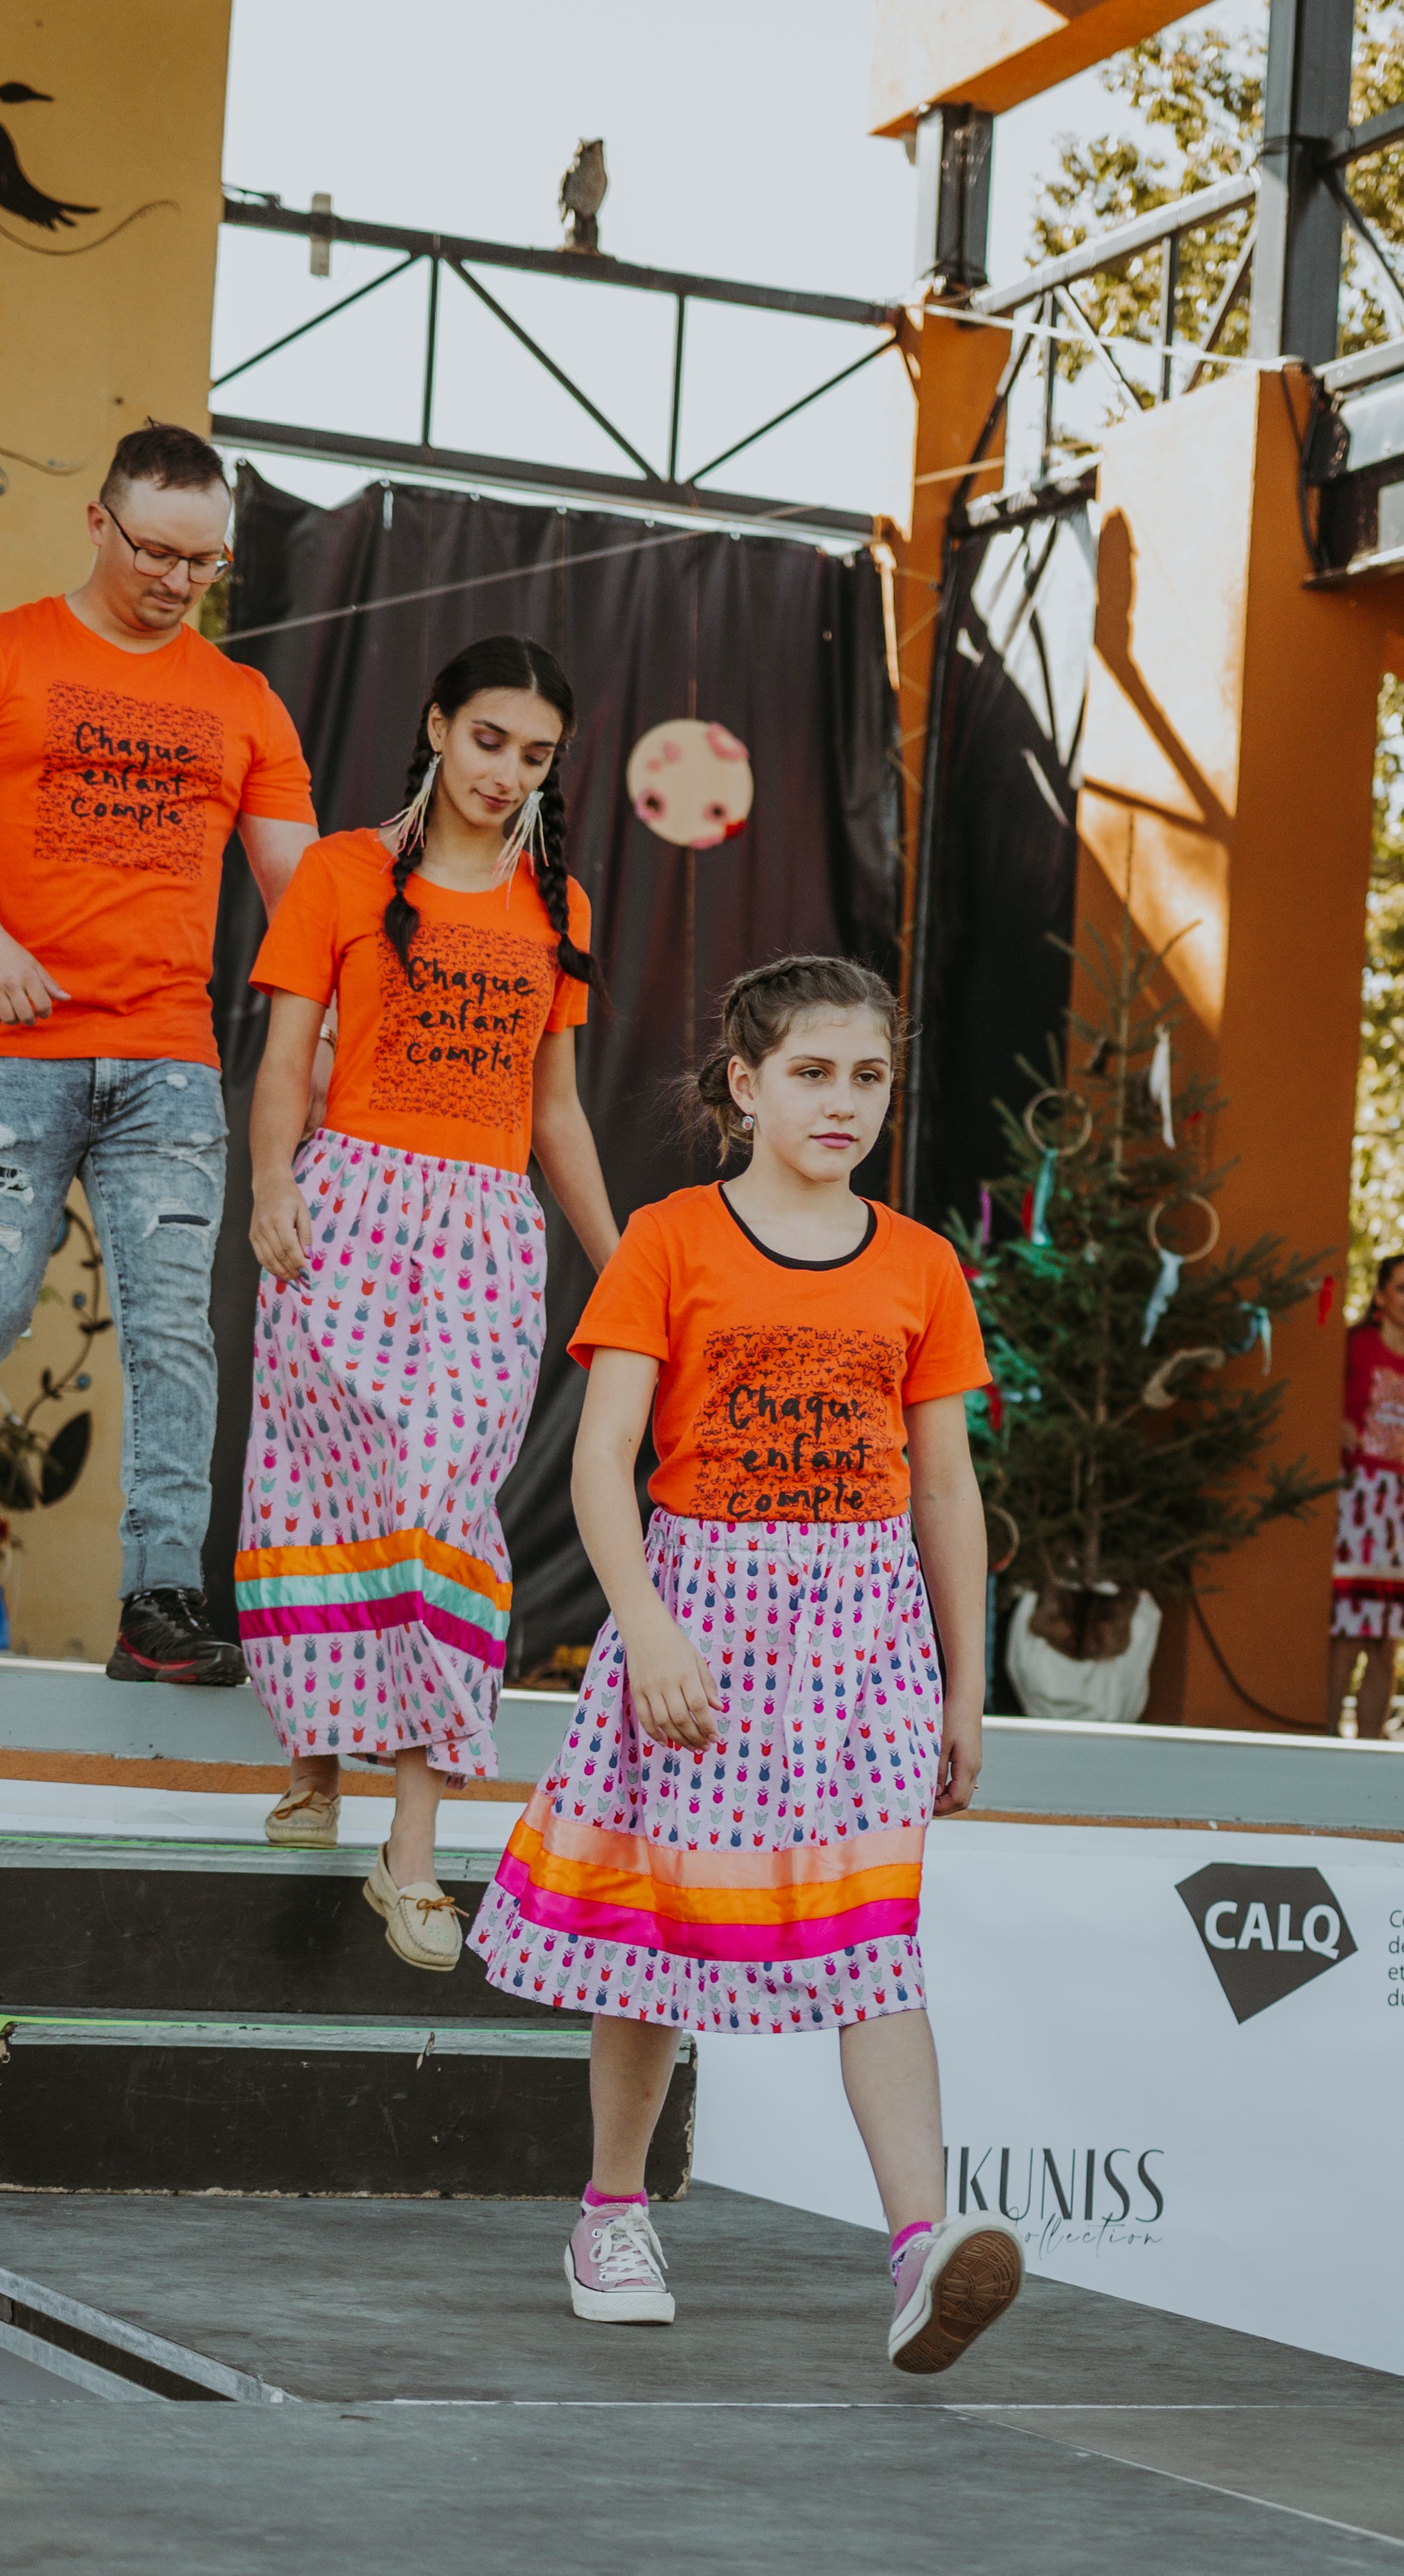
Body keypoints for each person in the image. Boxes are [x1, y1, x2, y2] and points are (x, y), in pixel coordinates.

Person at [471, 954, 1026, 2371]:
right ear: (744, 1083)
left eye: (869, 1075)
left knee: (874, 1937)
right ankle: (610, 2212)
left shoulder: (920, 1262)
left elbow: (944, 1489)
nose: (844, 1101)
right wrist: (646, 1623)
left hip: (865, 1639)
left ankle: (919, 2251)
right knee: (655, 1933)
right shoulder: (668, 1239)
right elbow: (601, 1458)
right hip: (700, 1617)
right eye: (811, 1072)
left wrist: (964, 1686)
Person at [0, 421, 320, 1679]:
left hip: (167, 1060)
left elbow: (299, 890)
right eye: (156, 551)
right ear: (98, 523)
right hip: (7, 1053)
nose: (178, 580)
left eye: (205, 561)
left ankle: (159, 1597)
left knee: (175, 1330)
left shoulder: (243, 701)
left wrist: (332, 1027)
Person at [239, 634, 620, 1969]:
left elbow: (555, 1110)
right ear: (440, 726)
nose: (506, 771)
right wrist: (270, 1183)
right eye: (489, 739)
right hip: (344, 1208)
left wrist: (619, 1261)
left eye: (535, 754)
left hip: (482, 1237)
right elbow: (285, 1056)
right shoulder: (343, 872)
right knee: (323, 1487)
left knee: (443, 1509)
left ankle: (411, 1852)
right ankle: (313, 1762)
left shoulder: (558, 904)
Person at [1328, 1252, 1404, 1736]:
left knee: (1386, 1638)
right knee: (1348, 1631)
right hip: (1357, 1501)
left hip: (1401, 1509)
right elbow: (1321, 1399)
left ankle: (1372, 1749)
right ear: (1380, 1296)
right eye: (1402, 1288)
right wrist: (1335, 1425)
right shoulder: (1355, 1346)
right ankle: (1326, 1740)